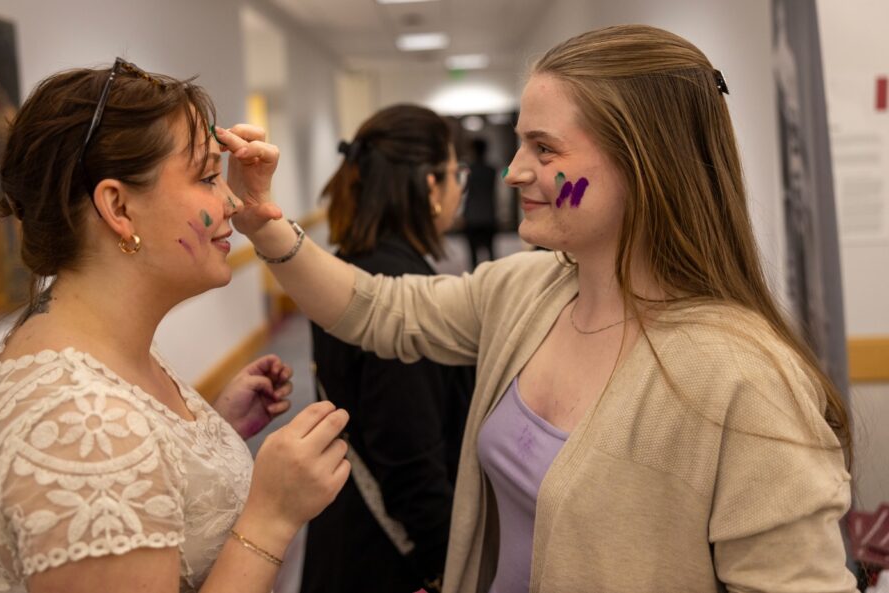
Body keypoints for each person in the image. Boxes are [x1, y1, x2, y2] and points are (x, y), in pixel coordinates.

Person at [230, 25, 858, 593]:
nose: (512, 171)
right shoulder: (528, 291)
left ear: (644, 164)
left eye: (543, 148)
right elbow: (377, 309)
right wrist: (265, 223)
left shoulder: (747, 378)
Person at [0, 58, 350, 593]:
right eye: (209, 177)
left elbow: (145, 503)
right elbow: (106, 463)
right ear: (118, 207)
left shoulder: (87, 349)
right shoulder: (86, 431)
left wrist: (208, 441)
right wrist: (272, 517)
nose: (232, 201)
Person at [300, 104, 474, 593]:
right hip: (389, 554)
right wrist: (446, 566)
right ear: (429, 187)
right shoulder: (401, 292)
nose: (460, 187)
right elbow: (408, 453)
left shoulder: (348, 267)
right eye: (454, 172)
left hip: (350, 520)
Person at [461, 138, 498, 270]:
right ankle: (493, 277)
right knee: (491, 252)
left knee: (473, 256)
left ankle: (475, 279)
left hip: (472, 215)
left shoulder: (470, 171)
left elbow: (466, 193)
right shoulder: (491, 170)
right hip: (488, 214)